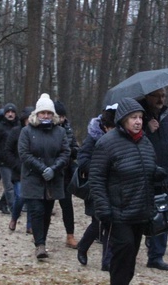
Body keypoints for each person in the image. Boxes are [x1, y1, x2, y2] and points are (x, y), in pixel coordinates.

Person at [89, 97, 162, 285]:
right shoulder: (107, 142)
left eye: (140, 117)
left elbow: (148, 167)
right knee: (123, 250)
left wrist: (158, 173)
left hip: (140, 208)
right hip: (117, 209)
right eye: (133, 118)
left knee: (132, 253)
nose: (138, 122)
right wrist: (103, 208)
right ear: (123, 120)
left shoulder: (145, 141)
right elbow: (97, 177)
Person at [19, 94, 70, 258]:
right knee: (36, 210)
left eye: (49, 113)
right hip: (33, 177)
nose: (46, 116)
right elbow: (24, 154)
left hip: (53, 179)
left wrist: (54, 169)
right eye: (43, 113)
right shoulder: (27, 131)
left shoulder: (60, 132)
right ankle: (39, 244)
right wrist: (42, 169)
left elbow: (65, 152)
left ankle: (43, 240)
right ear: (37, 114)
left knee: (47, 211)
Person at [139, 87, 168, 271]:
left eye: (163, 96)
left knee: (163, 215)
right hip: (145, 173)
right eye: (157, 96)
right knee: (141, 214)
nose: (161, 99)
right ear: (148, 96)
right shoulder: (139, 116)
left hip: (167, 174)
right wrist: (147, 129)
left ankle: (156, 255)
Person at [76, 105, 117, 269]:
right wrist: (98, 168)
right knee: (98, 222)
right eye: (111, 128)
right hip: (96, 185)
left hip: (113, 186)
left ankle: (107, 261)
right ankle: (83, 246)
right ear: (105, 126)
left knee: (110, 223)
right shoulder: (93, 138)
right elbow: (82, 159)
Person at [55, 100, 80, 248]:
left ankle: (70, 235)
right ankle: (40, 235)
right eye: (59, 116)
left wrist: (73, 152)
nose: (62, 119)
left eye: (63, 116)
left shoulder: (69, 130)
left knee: (67, 206)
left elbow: (75, 148)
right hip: (50, 172)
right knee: (45, 207)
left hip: (65, 173)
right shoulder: (45, 129)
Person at [0, 103, 20, 214]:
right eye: (8, 112)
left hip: (15, 161)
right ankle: (13, 209)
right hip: (3, 162)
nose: (10, 114)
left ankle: (3, 203)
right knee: (9, 186)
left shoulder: (19, 127)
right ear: (4, 113)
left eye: (12, 112)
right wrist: (0, 155)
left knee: (13, 184)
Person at [6, 106, 34, 232]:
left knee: (32, 199)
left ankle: (30, 225)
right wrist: (16, 165)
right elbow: (8, 152)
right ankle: (14, 217)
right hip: (19, 171)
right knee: (20, 197)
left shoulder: (37, 132)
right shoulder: (15, 131)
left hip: (33, 170)